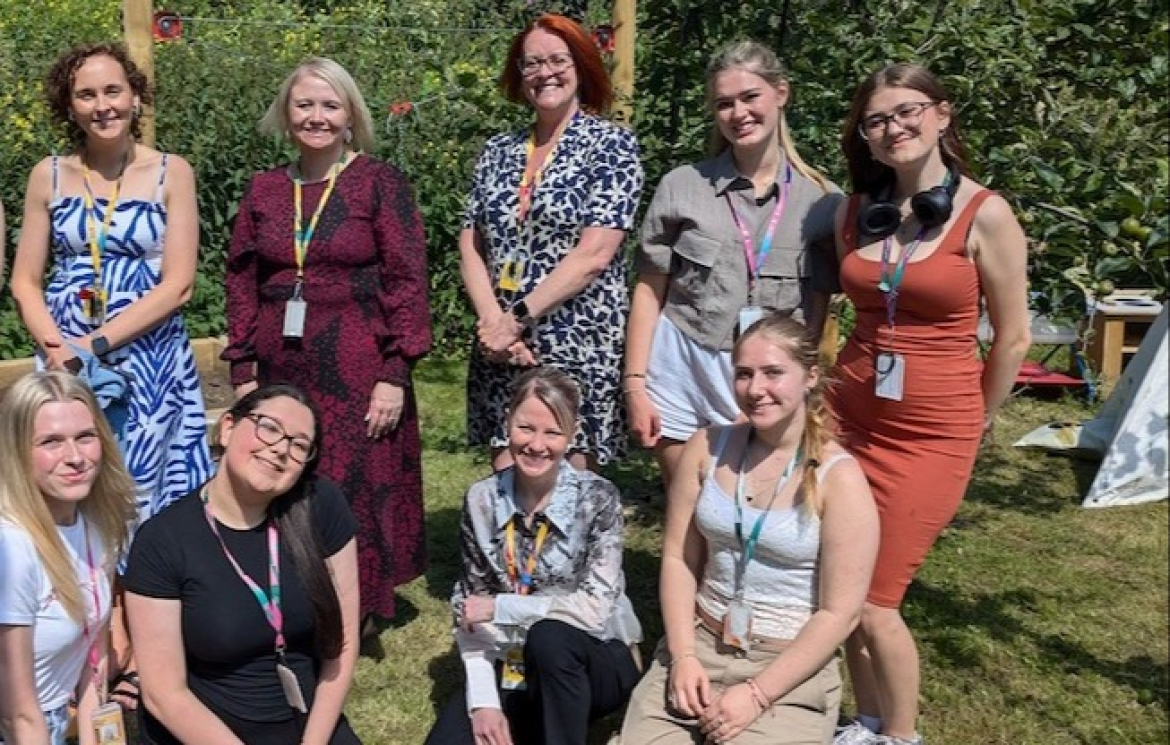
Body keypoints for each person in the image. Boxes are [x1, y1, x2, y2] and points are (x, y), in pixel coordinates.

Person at [828, 64, 1030, 745]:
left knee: (878, 598)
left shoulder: (986, 213)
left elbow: (1013, 336)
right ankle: (864, 718)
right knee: (841, 584)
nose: (893, 128)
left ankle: (901, 734)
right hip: (847, 419)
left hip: (932, 435)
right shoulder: (855, 212)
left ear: (942, 114)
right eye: (877, 120)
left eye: (907, 111)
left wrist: (979, 417)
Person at [222, 57, 432, 627]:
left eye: (330, 105)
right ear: (286, 116)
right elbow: (242, 278)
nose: (316, 116)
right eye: (304, 104)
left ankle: (354, 605)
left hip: (359, 367)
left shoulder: (379, 183)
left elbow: (408, 278)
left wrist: (395, 371)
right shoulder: (265, 190)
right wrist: (243, 364)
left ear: (350, 116)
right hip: (280, 364)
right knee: (280, 473)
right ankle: (288, 592)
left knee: (351, 483)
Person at [621, 314, 879, 745]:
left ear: (810, 377)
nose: (755, 389)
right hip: (700, 645)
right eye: (744, 374)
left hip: (786, 666)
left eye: (773, 373)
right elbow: (679, 559)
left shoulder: (841, 478)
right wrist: (682, 656)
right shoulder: (706, 448)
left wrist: (757, 694)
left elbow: (840, 613)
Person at [9, 42, 213, 533]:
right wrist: (61, 352)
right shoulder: (49, 176)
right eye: (86, 94)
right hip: (66, 360)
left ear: (135, 97)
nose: (103, 105)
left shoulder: (172, 172)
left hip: (149, 361)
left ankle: (142, 599)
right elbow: (24, 280)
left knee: (146, 488)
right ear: (69, 106)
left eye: (113, 90)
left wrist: (97, 344)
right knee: (69, 481)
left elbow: (179, 284)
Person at [625, 40, 842, 493]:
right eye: (724, 104)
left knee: (755, 500)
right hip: (682, 363)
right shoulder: (682, 186)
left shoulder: (822, 202)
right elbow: (649, 289)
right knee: (686, 500)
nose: (738, 113)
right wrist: (636, 385)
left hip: (766, 375)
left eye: (750, 98)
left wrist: (802, 385)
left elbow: (818, 311)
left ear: (781, 93)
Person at [123, 384, 362, 744]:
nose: (281, 448)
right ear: (228, 427)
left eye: (299, 445)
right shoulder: (163, 541)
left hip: (307, 721)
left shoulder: (319, 505)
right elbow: (164, 695)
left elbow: (342, 645)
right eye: (268, 427)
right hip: (207, 731)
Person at [460, 13, 644, 471]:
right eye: (532, 63)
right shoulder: (497, 151)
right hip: (499, 346)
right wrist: (493, 325)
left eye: (558, 60)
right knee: (507, 478)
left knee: (567, 494)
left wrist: (516, 319)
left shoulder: (611, 146)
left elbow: (594, 254)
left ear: (580, 65)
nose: (545, 73)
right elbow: (470, 243)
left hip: (576, 340)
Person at [424, 367, 643, 745]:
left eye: (553, 433)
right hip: (510, 660)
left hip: (592, 661)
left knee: (550, 638)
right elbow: (469, 608)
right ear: (507, 423)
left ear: (572, 436)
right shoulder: (482, 500)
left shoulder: (598, 499)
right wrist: (483, 702)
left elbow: (593, 612)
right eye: (526, 428)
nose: (537, 445)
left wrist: (501, 608)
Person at [0, 371, 137, 745]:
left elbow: (94, 660)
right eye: (51, 442)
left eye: (85, 437)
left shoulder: (97, 525)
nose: (75, 457)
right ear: (16, 450)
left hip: (52, 720)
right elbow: (17, 715)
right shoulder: (11, 546)